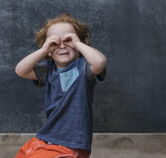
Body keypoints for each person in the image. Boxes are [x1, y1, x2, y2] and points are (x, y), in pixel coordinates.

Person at [14, 13, 107, 158]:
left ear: (80, 44)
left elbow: (100, 62)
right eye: (55, 43)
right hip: (47, 138)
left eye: (68, 40)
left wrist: (77, 43)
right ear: (49, 51)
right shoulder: (47, 70)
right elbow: (20, 70)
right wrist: (44, 50)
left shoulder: (84, 68)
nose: (62, 46)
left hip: (71, 144)